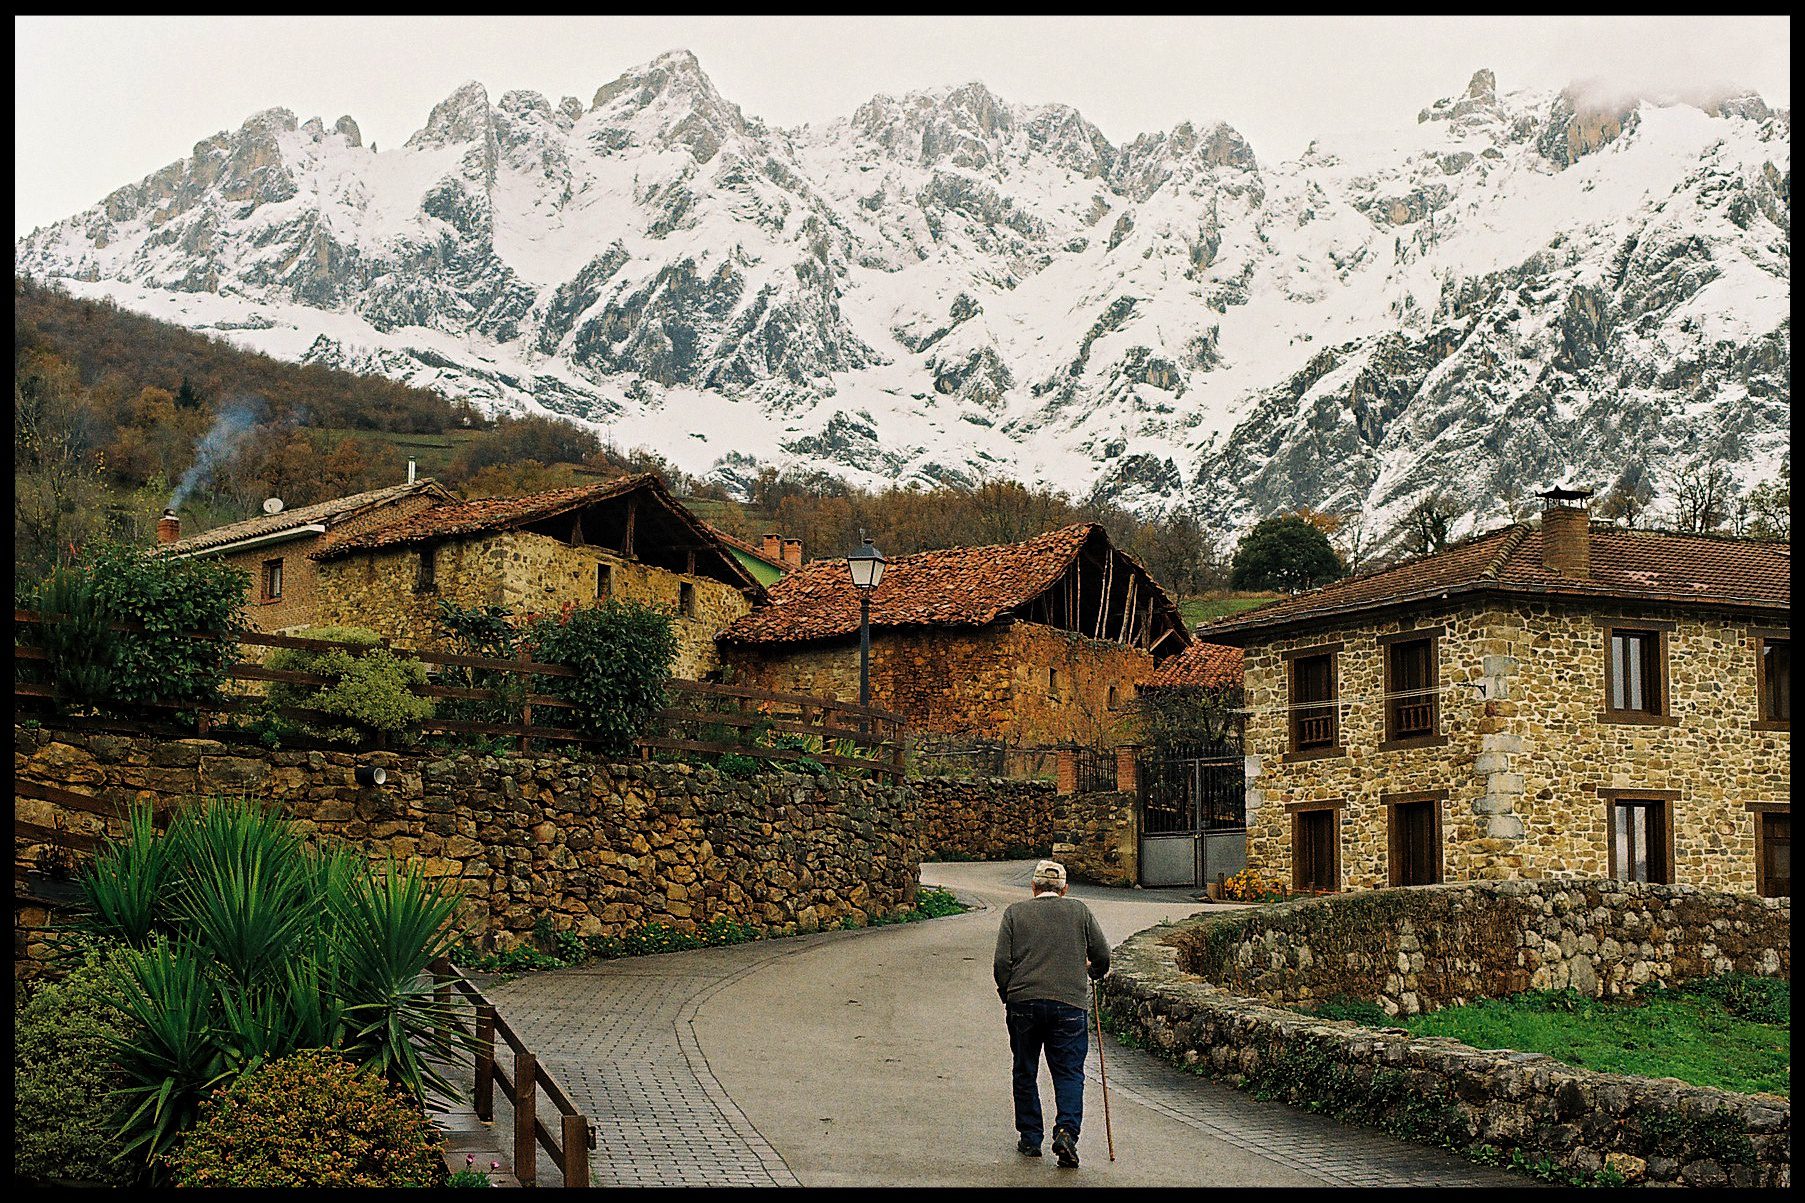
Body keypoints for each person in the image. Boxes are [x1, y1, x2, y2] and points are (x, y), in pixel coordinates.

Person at [992, 859, 1110, 1169]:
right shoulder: (1079, 911)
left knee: (1025, 1069)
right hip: (1069, 1005)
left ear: (1033, 887)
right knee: (1069, 1072)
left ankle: (1031, 1138)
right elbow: (1102, 955)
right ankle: (1066, 1132)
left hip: (1024, 1004)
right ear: (1065, 889)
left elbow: (1002, 964)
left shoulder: (1015, 913)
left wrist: (1008, 994)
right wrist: (1094, 972)